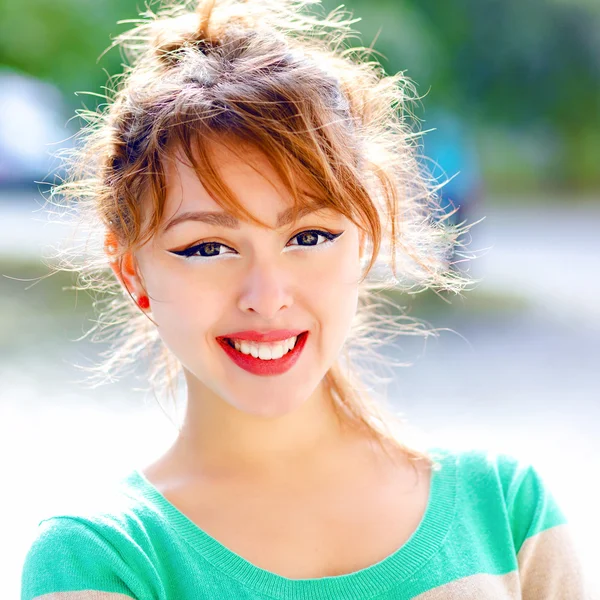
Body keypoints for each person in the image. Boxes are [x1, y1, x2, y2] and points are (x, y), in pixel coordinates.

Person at [20, 0, 593, 598]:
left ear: (367, 242)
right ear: (131, 271)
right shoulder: (102, 560)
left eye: (309, 237)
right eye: (208, 247)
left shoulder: (505, 515)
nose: (266, 299)